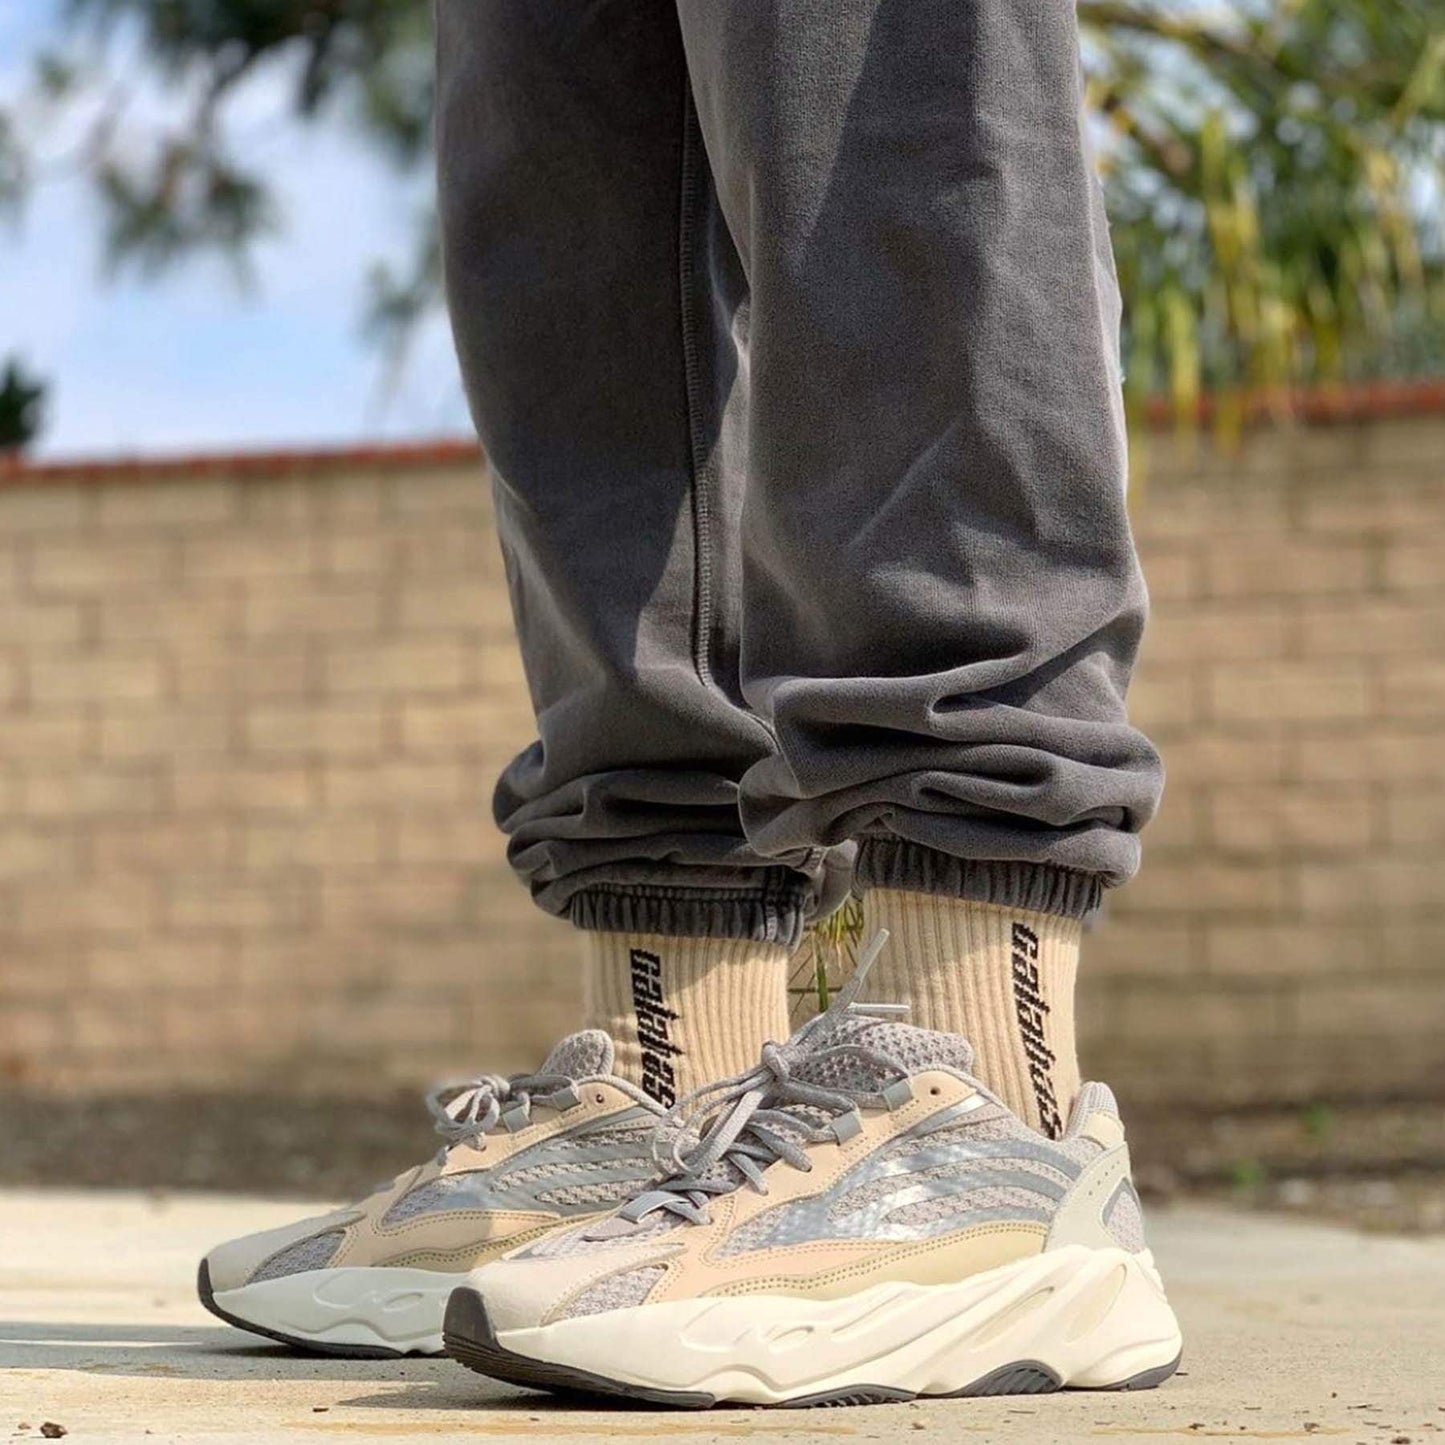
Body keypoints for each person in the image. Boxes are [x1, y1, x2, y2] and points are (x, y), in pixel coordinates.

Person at [199, 0, 1181, 1404]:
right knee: (559, 175)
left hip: (993, 1054)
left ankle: (991, 1130)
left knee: (872, 80)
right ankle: (678, 1110)